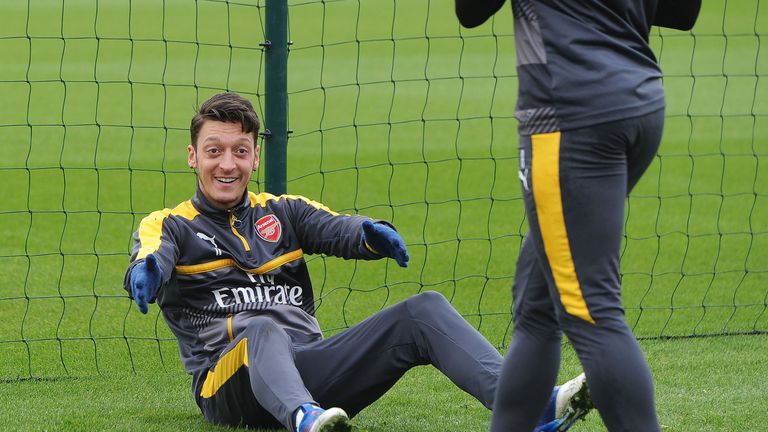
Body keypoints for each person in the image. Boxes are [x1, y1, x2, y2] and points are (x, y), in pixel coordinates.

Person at [124, 91, 590, 432]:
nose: (227, 164)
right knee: (260, 329)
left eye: (239, 152)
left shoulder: (282, 210)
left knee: (423, 310)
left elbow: (334, 227)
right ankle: (304, 420)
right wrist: (146, 274)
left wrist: (369, 234)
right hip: (228, 386)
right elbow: (152, 256)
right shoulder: (169, 223)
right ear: (193, 157)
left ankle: (531, 408)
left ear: (254, 156)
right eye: (214, 151)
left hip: (310, 368)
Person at [453, 1, 702, 431]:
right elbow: (683, 10)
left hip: (572, 119)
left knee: (592, 311)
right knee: (537, 306)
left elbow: (470, 10)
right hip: (638, 101)